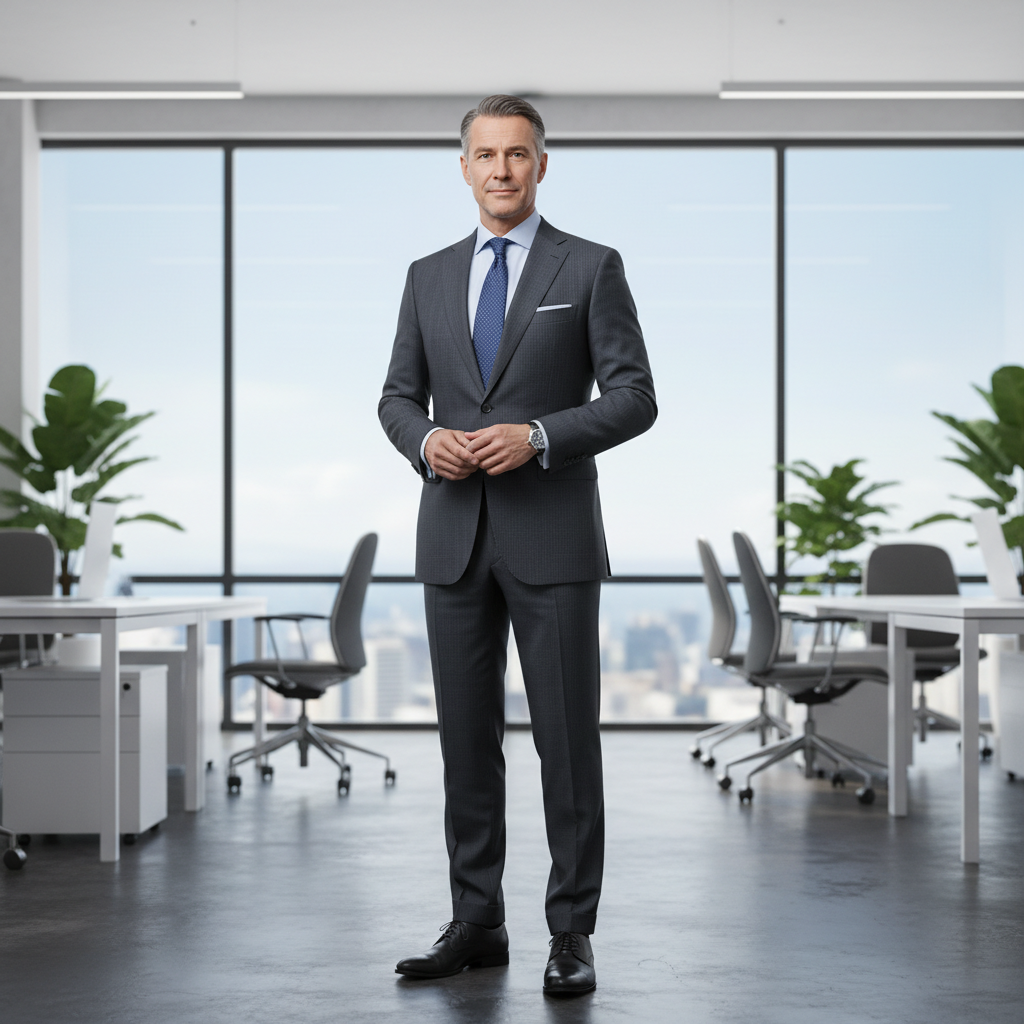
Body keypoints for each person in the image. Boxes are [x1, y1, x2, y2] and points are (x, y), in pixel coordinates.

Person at [378, 94, 657, 996]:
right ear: (463, 167)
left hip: (554, 534)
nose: (501, 169)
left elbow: (634, 396)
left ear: (543, 165)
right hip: (453, 532)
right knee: (467, 742)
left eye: (518, 154)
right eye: (485, 154)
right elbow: (395, 397)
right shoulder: (426, 274)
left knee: (566, 743)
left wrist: (538, 434)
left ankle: (571, 932)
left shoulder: (592, 266)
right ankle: (477, 919)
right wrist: (426, 441)